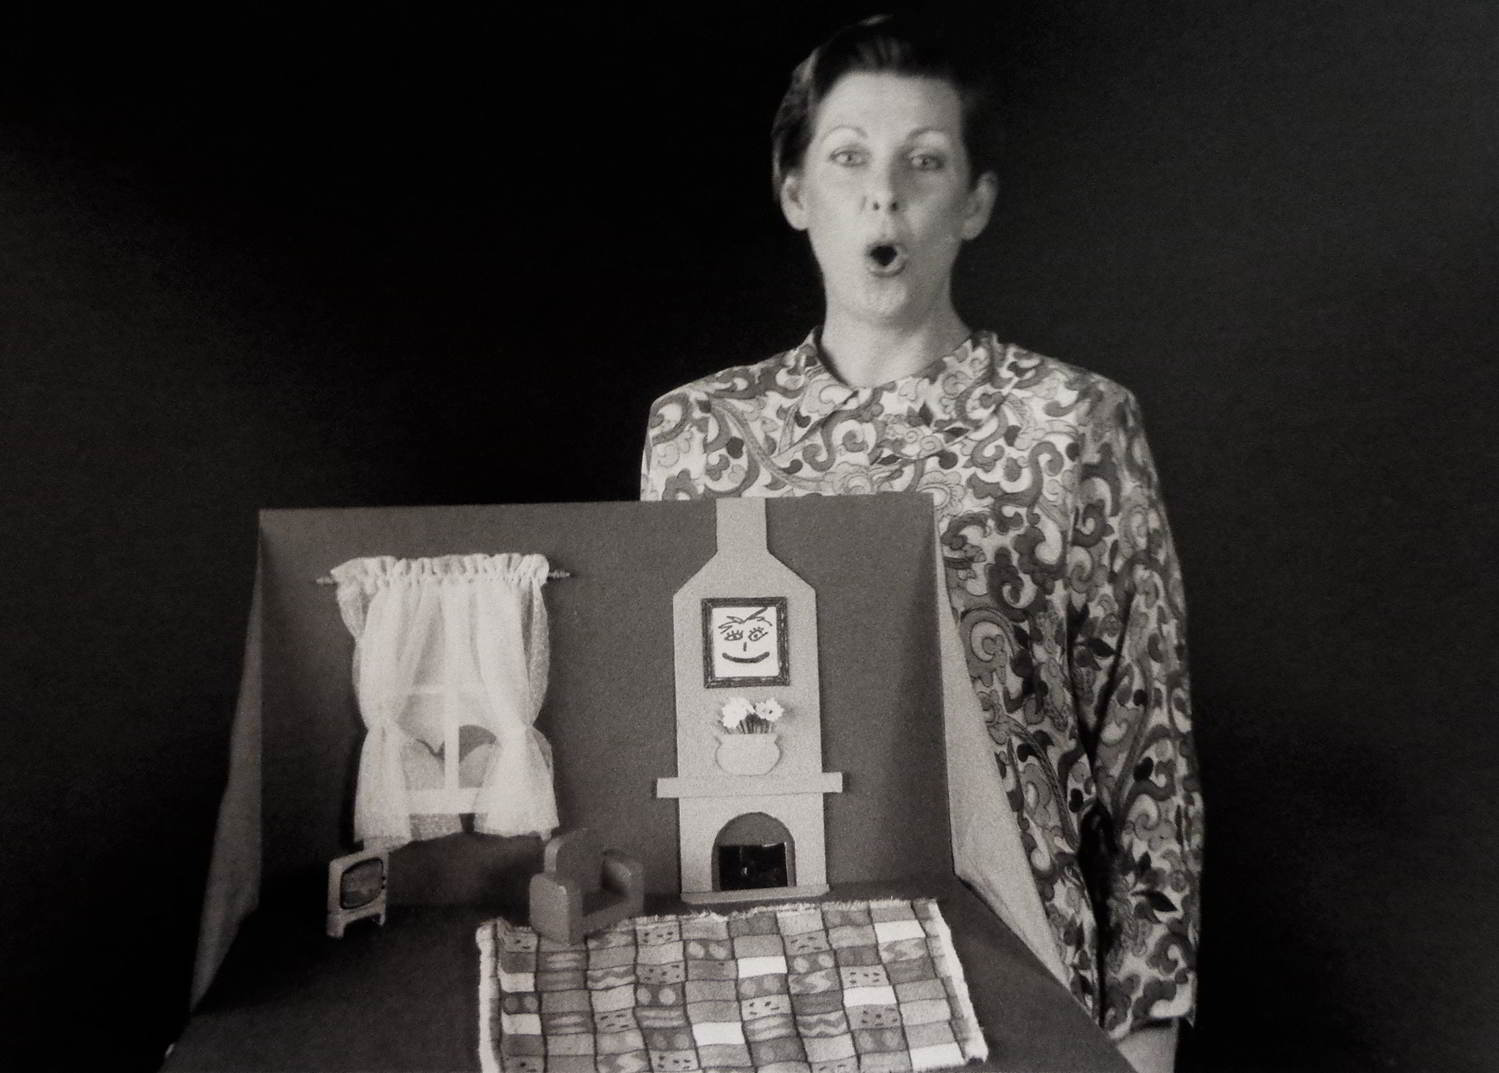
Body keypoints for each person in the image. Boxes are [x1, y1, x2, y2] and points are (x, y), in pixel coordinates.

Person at [640, 14, 1202, 1073]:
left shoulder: (1075, 421)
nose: (883, 194)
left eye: (924, 162)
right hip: (769, 975)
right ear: (795, 191)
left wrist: (1146, 1014)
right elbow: (669, 735)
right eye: (847, 157)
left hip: (1018, 957)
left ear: (974, 201)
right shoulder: (697, 434)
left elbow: (1147, 746)